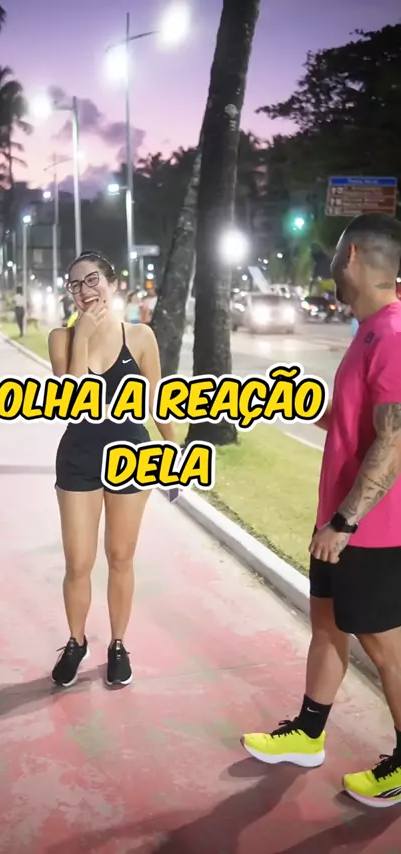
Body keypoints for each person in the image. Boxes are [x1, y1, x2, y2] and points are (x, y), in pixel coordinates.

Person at [241, 212, 401, 809]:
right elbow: (358, 423)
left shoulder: (393, 334)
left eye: (334, 253)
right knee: (329, 626)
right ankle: (308, 734)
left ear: (351, 255)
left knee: (385, 649)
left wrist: (345, 522)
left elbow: (394, 441)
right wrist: (306, 407)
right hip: (338, 520)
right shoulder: (367, 331)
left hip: (372, 530)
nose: (329, 263)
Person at [48, 250, 174, 690]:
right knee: (78, 561)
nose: (84, 291)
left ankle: (118, 644)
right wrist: (82, 335)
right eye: (75, 284)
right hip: (78, 458)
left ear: (113, 282)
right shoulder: (61, 339)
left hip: (131, 459)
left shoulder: (140, 337)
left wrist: (175, 452)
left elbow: (159, 403)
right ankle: (76, 641)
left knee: (120, 557)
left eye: (92, 280)